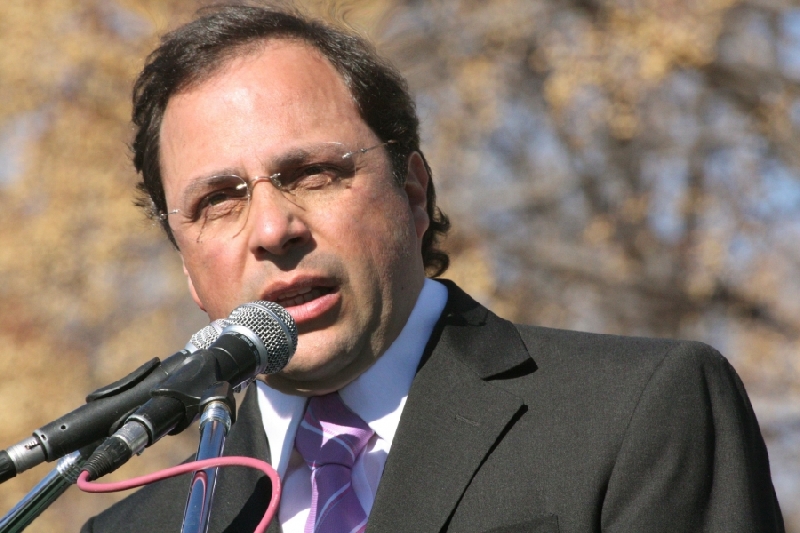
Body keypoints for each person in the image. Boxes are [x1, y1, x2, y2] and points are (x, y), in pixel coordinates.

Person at [82, 4, 784, 533]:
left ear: (413, 192)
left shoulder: (638, 413)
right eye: (218, 201)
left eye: (313, 173)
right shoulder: (139, 525)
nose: (273, 229)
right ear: (187, 267)